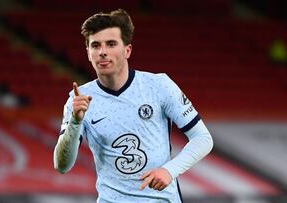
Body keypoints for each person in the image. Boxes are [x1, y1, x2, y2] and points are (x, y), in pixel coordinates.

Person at [53, 9, 213, 203]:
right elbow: (62, 166)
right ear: (88, 53)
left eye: (111, 44)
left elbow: (203, 138)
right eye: (95, 45)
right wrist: (75, 122)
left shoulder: (159, 86)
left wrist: (169, 170)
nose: (102, 51)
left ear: (127, 50)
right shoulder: (78, 100)